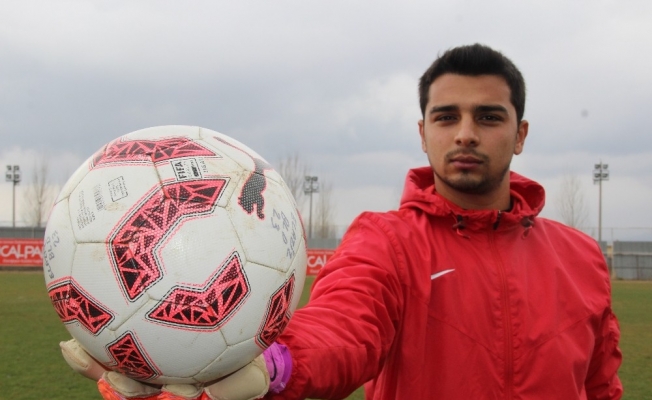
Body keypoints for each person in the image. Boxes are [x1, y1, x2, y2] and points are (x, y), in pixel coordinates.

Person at [63, 43, 623, 399]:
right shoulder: (389, 240)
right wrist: (276, 365)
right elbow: (344, 326)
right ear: (423, 132)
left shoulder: (580, 257)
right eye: (446, 117)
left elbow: (601, 385)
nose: (466, 134)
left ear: (520, 134)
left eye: (489, 117)